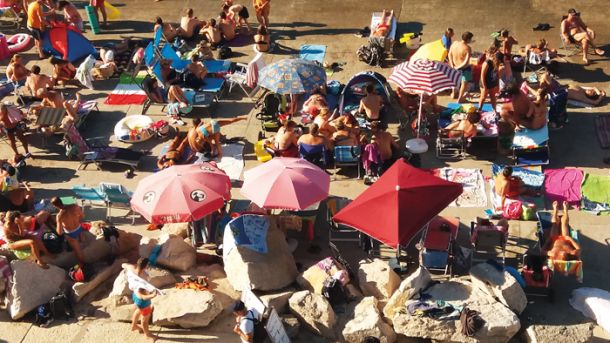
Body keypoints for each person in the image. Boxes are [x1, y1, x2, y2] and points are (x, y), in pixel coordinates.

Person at [51, 196, 85, 264]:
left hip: (70, 234)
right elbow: (82, 216)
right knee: (80, 232)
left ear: (55, 206)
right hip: (79, 228)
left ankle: (83, 264)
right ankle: (82, 240)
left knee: (78, 252)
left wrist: (59, 221)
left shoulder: (59, 216)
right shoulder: (74, 206)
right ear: (61, 201)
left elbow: (59, 233)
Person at [448, 31, 473, 103]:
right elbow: (466, 61)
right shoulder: (468, 48)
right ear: (468, 39)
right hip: (465, 68)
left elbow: (449, 54)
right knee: (464, 83)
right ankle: (460, 98)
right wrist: (458, 67)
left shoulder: (454, 43)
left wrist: (452, 65)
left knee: (454, 80)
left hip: (454, 65)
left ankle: (453, 93)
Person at [478, 46, 500, 113]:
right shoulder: (487, 62)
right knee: (483, 97)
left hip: (492, 82)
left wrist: (497, 84)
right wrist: (484, 86)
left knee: (493, 97)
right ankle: (479, 110)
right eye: (496, 53)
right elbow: (482, 75)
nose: (498, 54)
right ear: (493, 53)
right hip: (484, 82)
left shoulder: (496, 61)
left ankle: (494, 110)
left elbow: (497, 73)